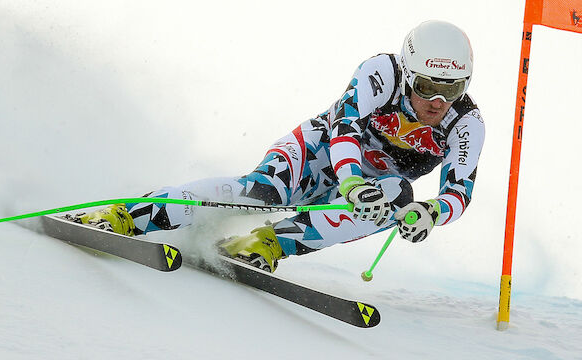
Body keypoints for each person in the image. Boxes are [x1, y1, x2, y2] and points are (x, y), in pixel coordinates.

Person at [76, 20, 485, 273]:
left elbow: (459, 192)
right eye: (427, 86)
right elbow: (344, 129)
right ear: (407, 70)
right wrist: (350, 180)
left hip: (370, 188)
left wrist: (431, 213)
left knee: (399, 198)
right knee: (260, 195)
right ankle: (129, 215)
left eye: (453, 89)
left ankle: (264, 244)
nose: (437, 101)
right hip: (321, 153)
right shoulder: (381, 73)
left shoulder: (466, 123)